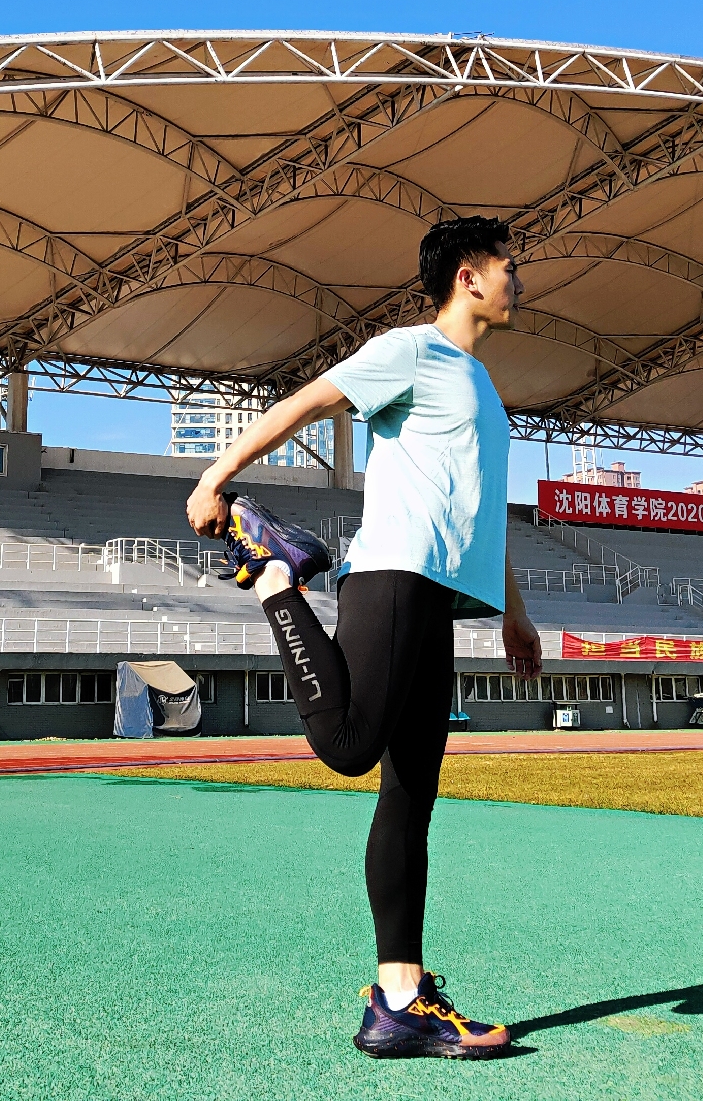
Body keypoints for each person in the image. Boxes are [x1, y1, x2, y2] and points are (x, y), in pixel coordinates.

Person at [186, 215, 542, 1060]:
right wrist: (215, 478)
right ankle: (278, 579)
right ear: (469, 276)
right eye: (509, 267)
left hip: (445, 596)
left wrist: (516, 610)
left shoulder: (484, 387)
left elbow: (482, 509)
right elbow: (307, 401)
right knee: (350, 748)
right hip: (392, 575)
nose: (519, 280)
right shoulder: (410, 350)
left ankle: (400, 1001)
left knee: (410, 796)